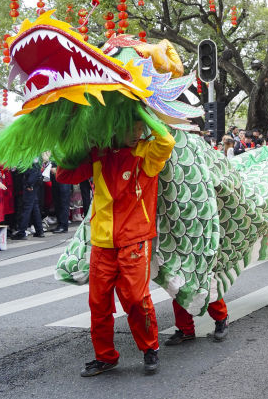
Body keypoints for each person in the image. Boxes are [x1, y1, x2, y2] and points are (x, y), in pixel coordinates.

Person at [55, 110, 174, 377]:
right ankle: (105, 356)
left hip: (135, 239)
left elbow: (166, 141)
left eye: (139, 126)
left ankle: (150, 348)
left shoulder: (147, 152)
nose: (135, 132)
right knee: (98, 303)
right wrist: (77, 141)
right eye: (129, 126)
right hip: (102, 240)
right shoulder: (99, 153)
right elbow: (64, 175)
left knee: (135, 298)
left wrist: (143, 110)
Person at [13, 157, 44, 239]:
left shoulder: (30, 150)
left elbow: (34, 169)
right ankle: (39, 230)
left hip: (31, 181)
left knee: (27, 207)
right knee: (34, 206)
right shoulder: (32, 149)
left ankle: (22, 232)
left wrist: (29, 184)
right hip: (34, 180)